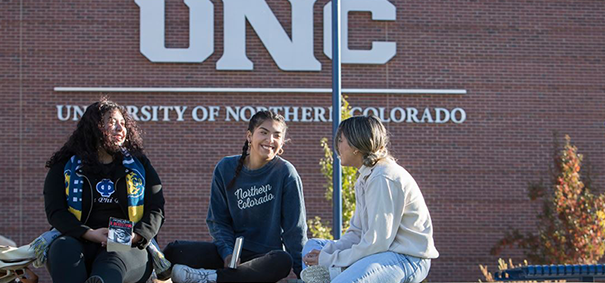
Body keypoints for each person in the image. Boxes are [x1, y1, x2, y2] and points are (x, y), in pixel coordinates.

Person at [163, 110, 308, 283]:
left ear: (282, 142)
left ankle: (212, 278)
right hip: (230, 254)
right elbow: (218, 221)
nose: (270, 140)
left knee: (283, 260)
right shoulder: (225, 168)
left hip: (264, 259)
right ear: (249, 136)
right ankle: (228, 277)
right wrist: (228, 253)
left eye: (277, 135)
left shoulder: (286, 173)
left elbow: (295, 230)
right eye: (263, 132)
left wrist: (303, 273)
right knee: (175, 250)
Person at [300, 115, 438, 283]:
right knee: (313, 247)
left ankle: (338, 275)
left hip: (406, 258)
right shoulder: (366, 177)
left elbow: (376, 243)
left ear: (355, 145)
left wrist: (329, 259)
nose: (337, 147)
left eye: (341, 140)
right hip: (379, 253)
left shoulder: (383, 177)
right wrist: (326, 253)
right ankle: (335, 274)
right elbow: (357, 233)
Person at [43, 98, 165, 283]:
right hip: (78, 237)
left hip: (128, 243)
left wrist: (136, 235)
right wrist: (89, 233)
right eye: (112, 122)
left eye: (123, 124)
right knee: (63, 249)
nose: (120, 129)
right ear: (94, 126)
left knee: (113, 260)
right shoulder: (64, 165)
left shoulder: (140, 165)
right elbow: (56, 212)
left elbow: (156, 208)